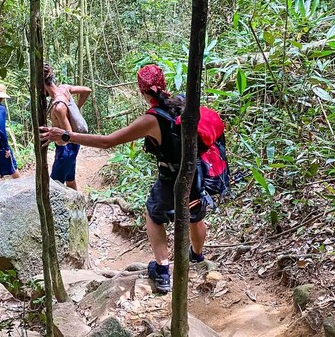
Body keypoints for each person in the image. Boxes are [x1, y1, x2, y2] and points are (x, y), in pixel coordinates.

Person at [39, 64, 220, 294]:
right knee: (195, 214)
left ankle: (163, 272)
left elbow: (108, 141)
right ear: (163, 84)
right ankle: (197, 256)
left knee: (153, 214)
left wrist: (65, 135)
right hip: (197, 172)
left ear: (142, 91)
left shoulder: (152, 118)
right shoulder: (181, 103)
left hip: (171, 178)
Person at [43, 64, 91, 191]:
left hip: (66, 150)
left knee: (54, 186)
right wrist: (77, 109)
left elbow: (69, 135)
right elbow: (87, 90)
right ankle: (79, 207)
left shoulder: (58, 107)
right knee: (70, 180)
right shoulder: (64, 88)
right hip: (73, 147)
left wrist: (52, 136)